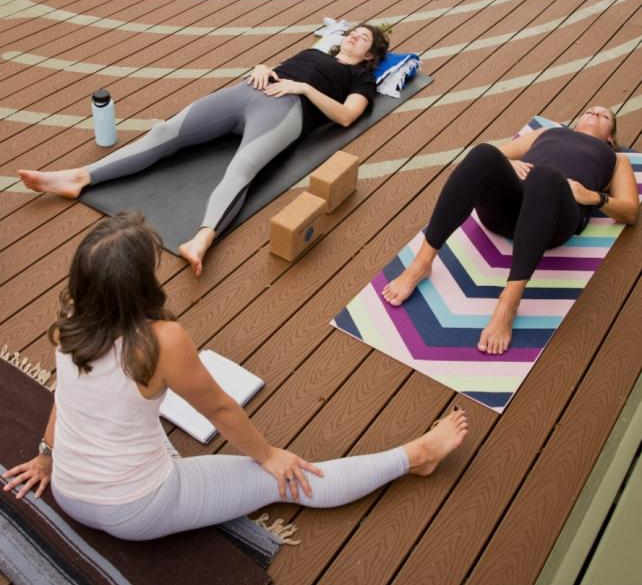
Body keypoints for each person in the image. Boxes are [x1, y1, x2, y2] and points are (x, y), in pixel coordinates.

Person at [2, 212, 469, 541]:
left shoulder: (69, 323)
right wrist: (270, 457)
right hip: (137, 507)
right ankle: (415, 457)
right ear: (141, 285)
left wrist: (46, 457)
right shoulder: (161, 340)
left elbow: (66, 398)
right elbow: (222, 409)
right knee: (290, 480)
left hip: (69, 490)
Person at [18, 25, 389, 276]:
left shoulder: (362, 77)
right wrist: (262, 66)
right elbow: (277, 67)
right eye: (352, 32)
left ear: (371, 54)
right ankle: (79, 177)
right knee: (166, 131)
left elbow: (345, 116)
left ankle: (202, 239)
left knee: (244, 166)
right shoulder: (313, 50)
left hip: (287, 109)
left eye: (362, 38)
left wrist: (303, 90)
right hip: (248, 90)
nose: (353, 37)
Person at [382, 106, 639, 355]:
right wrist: (510, 162)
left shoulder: (615, 159)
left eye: (604, 115)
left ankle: (509, 302)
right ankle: (421, 264)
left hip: (553, 219)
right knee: (483, 153)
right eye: (589, 111)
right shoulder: (550, 132)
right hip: (507, 208)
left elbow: (630, 212)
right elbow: (499, 155)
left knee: (546, 176)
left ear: (611, 137)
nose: (594, 114)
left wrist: (594, 198)